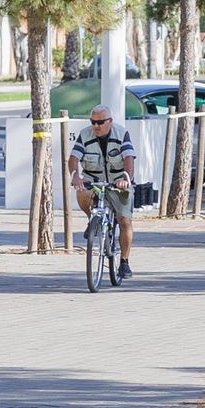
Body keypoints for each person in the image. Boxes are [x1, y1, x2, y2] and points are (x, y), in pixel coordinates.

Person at [69, 105, 136, 280]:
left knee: (125, 221)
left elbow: (129, 158)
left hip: (117, 182)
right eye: (93, 122)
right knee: (81, 191)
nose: (96, 126)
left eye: (100, 122)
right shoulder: (85, 135)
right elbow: (73, 158)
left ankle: (124, 262)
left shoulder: (121, 134)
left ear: (110, 122)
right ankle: (92, 220)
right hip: (94, 180)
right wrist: (75, 175)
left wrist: (126, 178)